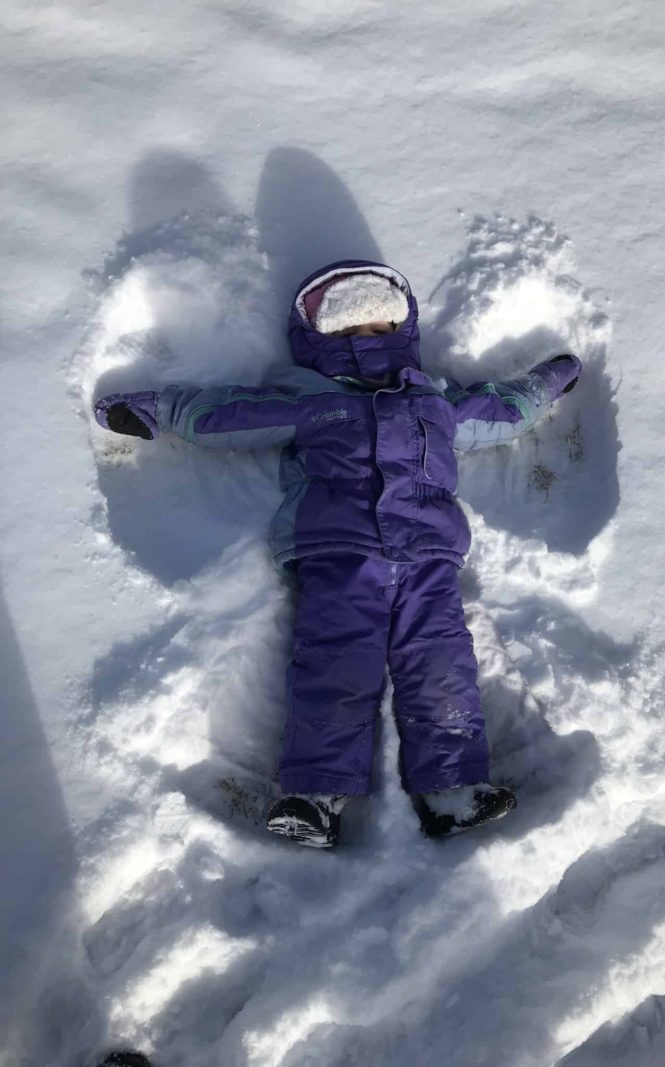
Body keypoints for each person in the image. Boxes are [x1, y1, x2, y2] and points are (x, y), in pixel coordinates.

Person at [94, 259, 581, 847]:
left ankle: (450, 790)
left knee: (442, 665)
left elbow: (501, 409)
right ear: (316, 340)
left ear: (403, 333)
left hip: (428, 557)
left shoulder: (433, 402)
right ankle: (316, 796)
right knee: (335, 665)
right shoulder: (309, 399)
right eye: (347, 330)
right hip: (339, 553)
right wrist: (157, 409)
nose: (364, 343)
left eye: (378, 329)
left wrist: (547, 383)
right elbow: (227, 414)